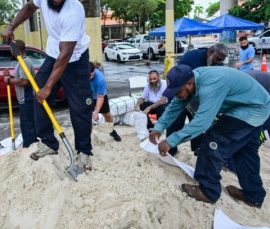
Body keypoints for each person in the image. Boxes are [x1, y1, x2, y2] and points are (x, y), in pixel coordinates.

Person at [1, 0, 93, 171]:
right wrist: (11, 26)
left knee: (80, 107)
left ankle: (84, 152)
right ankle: (49, 143)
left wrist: (49, 86)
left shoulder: (73, 12)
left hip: (75, 59)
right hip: (53, 53)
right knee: (38, 96)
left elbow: (66, 55)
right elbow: (28, 8)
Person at [149, 65, 270, 208]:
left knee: (213, 140)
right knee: (245, 151)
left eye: (177, 92)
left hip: (252, 109)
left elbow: (201, 123)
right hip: (255, 105)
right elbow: (174, 107)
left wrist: (170, 141)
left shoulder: (211, 85)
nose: (176, 96)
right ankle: (253, 195)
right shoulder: (190, 82)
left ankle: (208, 191)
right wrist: (158, 128)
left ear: (189, 84)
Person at [166, 43, 227, 156]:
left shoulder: (219, 65)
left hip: (199, 99)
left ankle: (197, 150)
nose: (219, 62)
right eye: (218, 59)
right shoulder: (190, 56)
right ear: (210, 52)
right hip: (182, 95)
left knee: (197, 124)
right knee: (175, 122)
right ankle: (171, 150)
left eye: (221, 60)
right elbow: (180, 78)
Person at [3, 39, 36, 148]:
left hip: (27, 98)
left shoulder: (24, 62)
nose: (10, 51)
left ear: (15, 50)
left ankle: (29, 147)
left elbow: (24, 81)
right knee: (26, 124)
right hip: (25, 99)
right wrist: (11, 77)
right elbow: (22, 78)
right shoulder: (23, 61)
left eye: (11, 49)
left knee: (27, 125)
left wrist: (8, 80)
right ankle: (30, 145)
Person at [89, 62, 121, 142]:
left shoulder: (100, 78)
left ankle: (111, 130)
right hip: (87, 96)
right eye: (88, 75)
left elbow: (100, 97)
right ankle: (88, 137)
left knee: (107, 114)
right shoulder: (80, 76)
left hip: (99, 96)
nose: (90, 77)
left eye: (92, 75)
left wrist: (96, 112)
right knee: (87, 117)